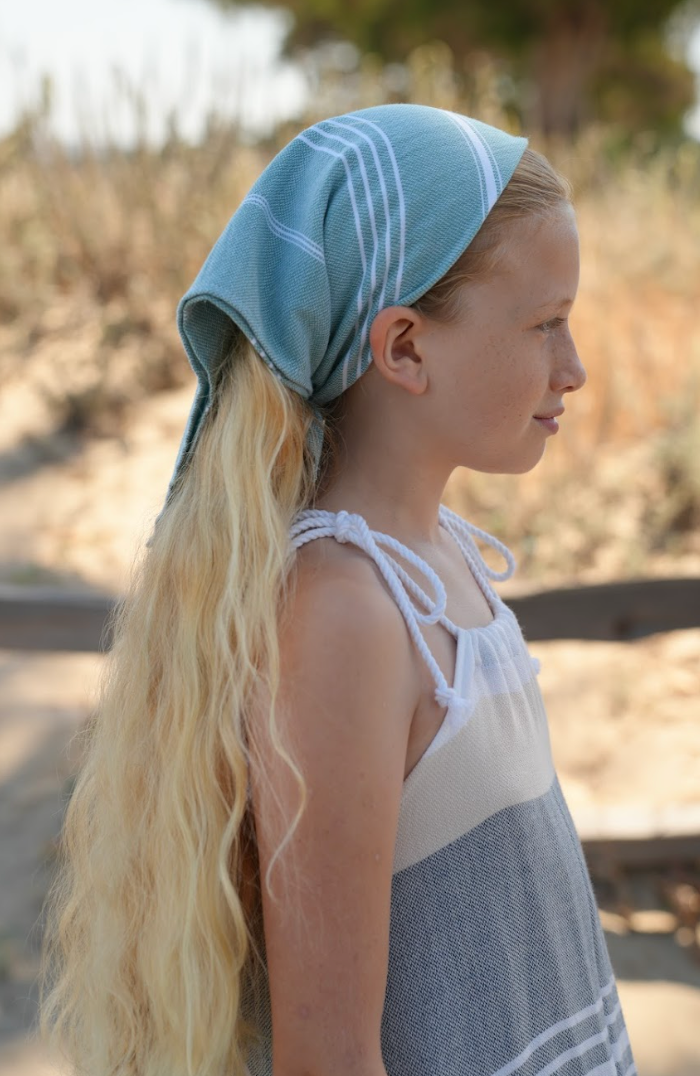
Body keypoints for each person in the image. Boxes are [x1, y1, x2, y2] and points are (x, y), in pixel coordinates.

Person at [37, 104, 637, 1076]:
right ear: (404, 348)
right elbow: (330, 1055)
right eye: (544, 324)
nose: (573, 369)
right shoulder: (344, 612)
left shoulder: (439, 557)